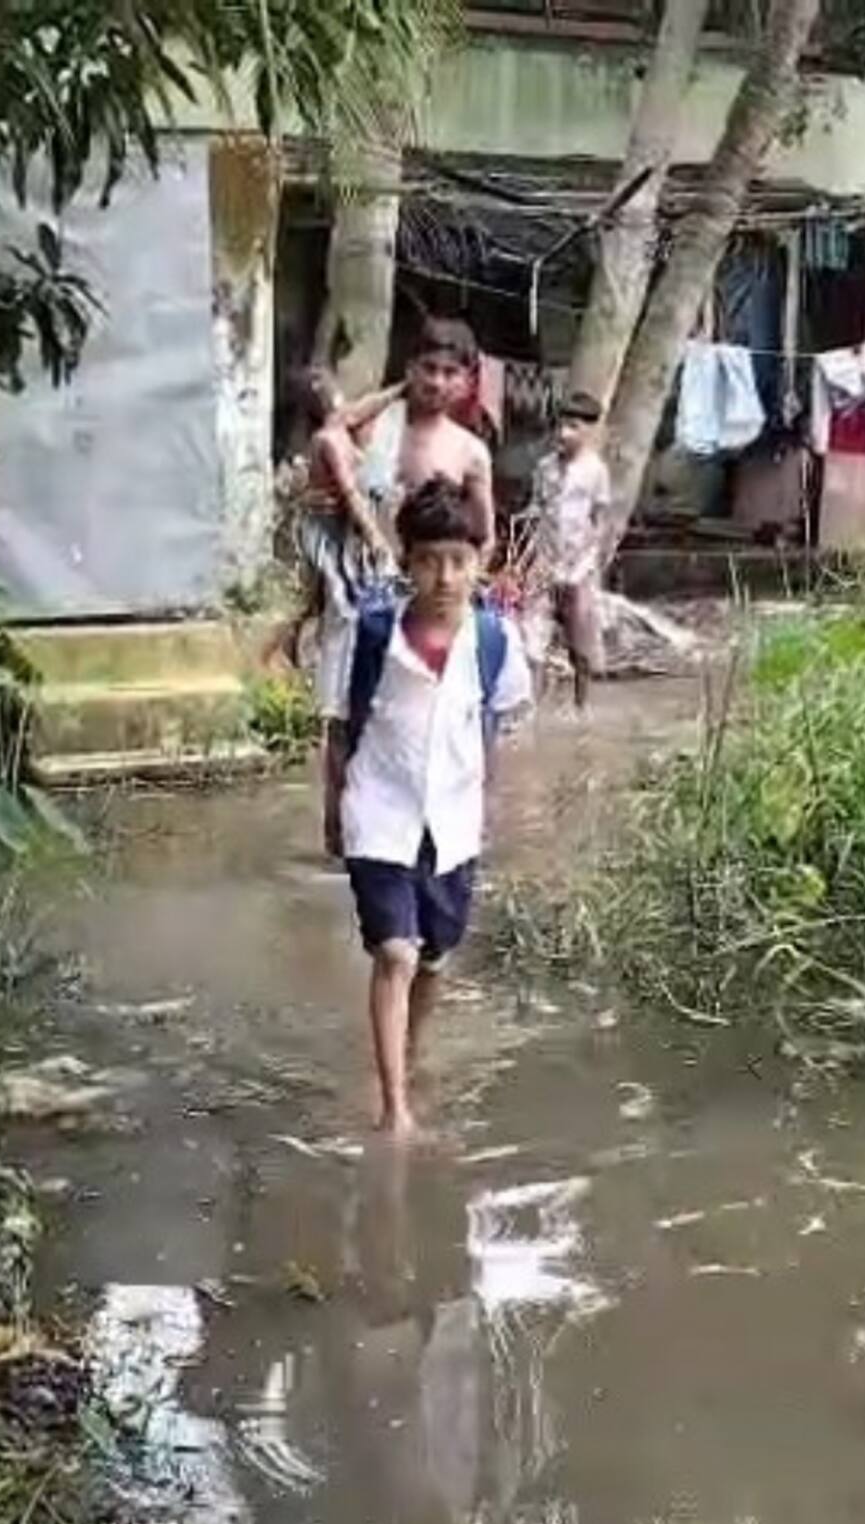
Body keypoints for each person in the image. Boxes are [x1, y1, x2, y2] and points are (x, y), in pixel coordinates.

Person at [324, 477, 531, 1138]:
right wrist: (333, 809)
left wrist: (487, 809)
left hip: (453, 824)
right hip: (378, 815)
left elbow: (494, 729)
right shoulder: (368, 635)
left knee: (434, 959)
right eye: (429, 560)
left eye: (459, 561)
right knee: (397, 955)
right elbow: (337, 729)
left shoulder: (496, 642)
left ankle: (407, 1060)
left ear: (479, 564)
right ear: (406, 562)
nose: (444, 576)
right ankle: (396, 1109)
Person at [277, 368, 402, 708]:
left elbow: (367, 406)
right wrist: (375, 536)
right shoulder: (330, 440)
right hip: (327, 533)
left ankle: (330, 688)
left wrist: (402, 385)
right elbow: (350, 493)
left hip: (342, 533)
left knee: (334, 607)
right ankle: (330, 701)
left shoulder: (340, 425)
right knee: (342, 610)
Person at [523, 390, 611, 712]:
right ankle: (531, 710)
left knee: (580, 641)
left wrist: (585, 565)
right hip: (543, 564)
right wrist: (527, 552)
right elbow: (535, 509)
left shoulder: (596, 471)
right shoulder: (544, 467)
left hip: (579, 566)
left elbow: (600, 523)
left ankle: (581, 705)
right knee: (532, 641)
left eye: (573, 426)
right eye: (561, 426)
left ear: (589, 430)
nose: (564, 434)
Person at [387, 320, 497, 555]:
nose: (437, 382)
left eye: (450, 373)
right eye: (429, 368)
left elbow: (485, 539)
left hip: (426, 581)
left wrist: (458, 585)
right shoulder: (375, 427)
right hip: (354, 578)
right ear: (410, 369)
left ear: (467, 382)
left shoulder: (470, 452)